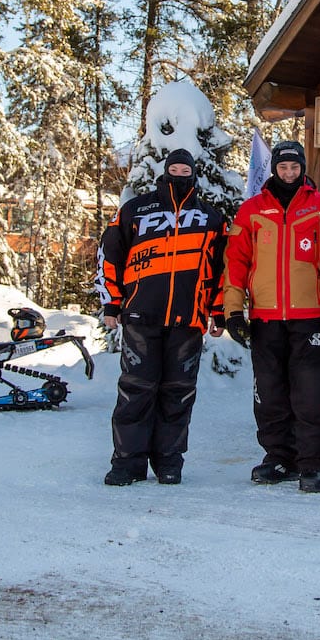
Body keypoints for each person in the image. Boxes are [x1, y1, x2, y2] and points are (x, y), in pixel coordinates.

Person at [222, 140, 320, 494]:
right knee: (270, 392)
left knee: (312, 393)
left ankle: (313, 463)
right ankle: (279, 456)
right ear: (275, 168)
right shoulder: (251, 211)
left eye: (295, 167)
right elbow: (236, 263)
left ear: (302, 169)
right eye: (283, 167)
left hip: (310, 317)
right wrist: (233, 309)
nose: (289, 172)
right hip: (265, 318)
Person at [96, 148, 227, 487]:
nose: (180, 173)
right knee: (135, 390)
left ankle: (169, 461)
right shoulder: (136, 209)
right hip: (141, 315)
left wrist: (219, 310)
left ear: (193, 173)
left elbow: (222, 270)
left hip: (189, 320)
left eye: (186, 169)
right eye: (175, 168)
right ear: (165, 170)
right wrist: (112, 303)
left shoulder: (211, 217)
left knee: (178, 392)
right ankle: (127, 462)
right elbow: (111, 255)